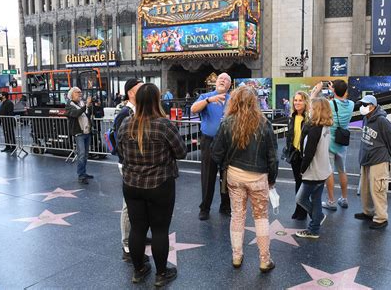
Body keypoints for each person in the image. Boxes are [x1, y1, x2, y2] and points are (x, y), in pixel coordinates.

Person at [118, 83, 187, 286]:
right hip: (160, 185)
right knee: (159, 230)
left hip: (131, 184)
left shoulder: (126, 124)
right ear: (157, 100)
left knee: (137, 229)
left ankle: (138, 271)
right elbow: (181, 152)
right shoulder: (164, 125)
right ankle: (161, 274)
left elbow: (121, 152)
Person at [211, 86, 278, 272]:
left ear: (234, 101)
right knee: (261, 217)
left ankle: (237, 257)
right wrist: (272, 178)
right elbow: (273, 156)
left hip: (234, 176)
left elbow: (215, 153)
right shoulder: (264, 123)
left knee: (237, 216)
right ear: (253, 102)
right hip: (258, 177)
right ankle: (265, 260)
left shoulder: (227, 123)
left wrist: (226, 164)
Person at [113, 79, 151, 263]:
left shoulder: (139, 111)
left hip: (138, 166)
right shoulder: (125, 113)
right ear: (131, 93)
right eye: (140, 89)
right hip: (129, 166)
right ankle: (127, 244)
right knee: (129, 206)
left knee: (140, 204)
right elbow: (119, 141)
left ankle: (139, 237)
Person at [191, 72, 232, 221]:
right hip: (209, 141)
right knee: (208, 175)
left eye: (226, 80)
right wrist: (209, 100)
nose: (223, 81)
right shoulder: (205, 97)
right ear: (216, 82)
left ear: (229, 85)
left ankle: (225, 206)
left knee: (227, 176)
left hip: (228, 143)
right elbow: (193, 109)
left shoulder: (233, 99)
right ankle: (205, 208)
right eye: (220, 78)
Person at [354, 95, 391, 229]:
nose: (362, 107)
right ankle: (368, 212)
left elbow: (390, 140)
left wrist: (389, 154)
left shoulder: (382, 120)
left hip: (378, 158)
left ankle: (381, 218)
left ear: (372, 106)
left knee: (378, 189)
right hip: (367, 158)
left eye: (365, 105)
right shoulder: (366, 118)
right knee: (366, 188)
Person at [295, 98, 333, 239]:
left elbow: (309, 152)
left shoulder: (314, 129)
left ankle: (317, 219)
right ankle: (314, 229)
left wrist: (302, 169)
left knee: (300, 198)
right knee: (316, 198)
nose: (309, 110)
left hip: (314, 171)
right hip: (323, 169)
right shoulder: (325, 126)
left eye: (312, 108)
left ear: (316, 110)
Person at [317, 80, 355, 211]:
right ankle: (344, 199)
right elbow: (343, 98)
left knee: (329, 171)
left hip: (330, 140)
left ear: (333, 90)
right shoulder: (351, 104)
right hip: (342, 142)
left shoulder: (329, 103)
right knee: (342, 170)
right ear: (345, 91)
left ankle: (331, 201)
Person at [285, 91, 310, 220]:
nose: (297, 103)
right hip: (295, 155)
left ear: (305, 102)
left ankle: (304, 211)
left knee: (305, 184)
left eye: (300, 100)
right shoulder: (292, 117)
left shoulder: (309, 118)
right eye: (295, 100)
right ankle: (298, 209)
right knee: (298, 182)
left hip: (305, 156)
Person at [65, 87, 93, 185]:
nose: (80, 94)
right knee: (81, 154)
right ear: (71, 94)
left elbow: (87, 115)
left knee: (85, 155)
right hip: (79, 133)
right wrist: (85, 106)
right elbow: (76, 114)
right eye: (78, 92)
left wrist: (88, 106)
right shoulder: (69, 105)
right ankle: (81, 175)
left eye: (80, 92)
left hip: (86, 132)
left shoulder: (80, 104)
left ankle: (83, 173)